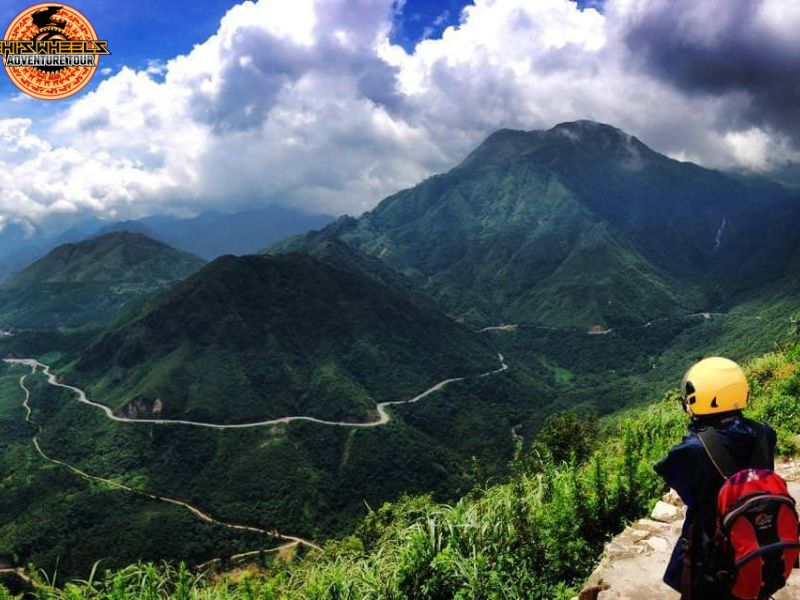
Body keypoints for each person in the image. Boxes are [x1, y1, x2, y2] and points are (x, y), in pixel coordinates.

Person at [654, 356, 777, 599]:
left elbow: (687, 492)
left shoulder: (691, 450)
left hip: (711, 555)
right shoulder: (765, 433)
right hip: (759, 540)